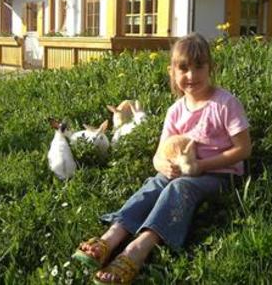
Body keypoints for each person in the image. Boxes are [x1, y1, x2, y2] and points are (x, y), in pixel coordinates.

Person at [72, 33, 252, 284]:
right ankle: (111, 237)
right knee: (155, 183)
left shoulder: (225, 103)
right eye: (184, 68)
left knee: (179, 187)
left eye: (199, 66)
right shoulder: (176, 110)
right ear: (172, 72)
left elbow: (243, 150)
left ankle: (138, 249)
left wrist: (201, 166)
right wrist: (162, 165)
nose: (191, 75)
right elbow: (158, 154)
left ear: (211, 67)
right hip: (181, 169)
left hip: (219, 175)